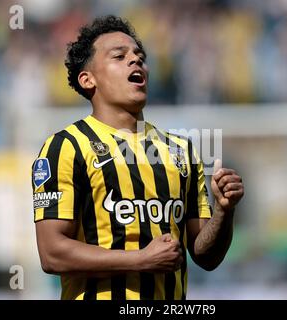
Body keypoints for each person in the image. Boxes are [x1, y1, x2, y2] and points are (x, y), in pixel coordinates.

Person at [32, 15, 244, 300]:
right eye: (119, 56)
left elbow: (205, 256)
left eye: (139, 56)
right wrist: (140, 260)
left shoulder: (181, 151)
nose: (135, 61)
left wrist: (223, 212)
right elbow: (51, 254)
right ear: (88, 79)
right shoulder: (66, 147)